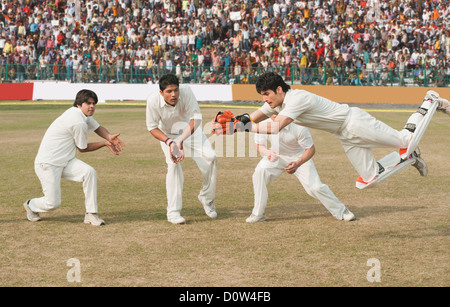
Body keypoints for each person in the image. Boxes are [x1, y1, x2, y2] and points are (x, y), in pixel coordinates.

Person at [216, 72, 450, 189]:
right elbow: (253, 116)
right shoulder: (277, 101)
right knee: (368, 179)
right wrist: (236, 122)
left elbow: (276, 126)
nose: (266, 100)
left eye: (267, 95)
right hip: (344, 135)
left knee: (405, 139)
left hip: (354, 122)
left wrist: (241, 126)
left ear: (278, 90)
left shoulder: (296, 99)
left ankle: (429, 101)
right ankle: (411, 158)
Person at [23, 89, 124, 226]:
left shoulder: (82, 115)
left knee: (89, 172)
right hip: (48, 164)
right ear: (79, 104)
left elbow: (97, 127)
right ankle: (30, 204)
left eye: (94, 103)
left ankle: (91, 213)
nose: (92, 106)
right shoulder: (78, 121)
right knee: (52, 203)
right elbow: (83, 149)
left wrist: (109, 136)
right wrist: (105, 143)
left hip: (65, 161)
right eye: (88, 103)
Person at [248, 115, 355, 223]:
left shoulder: (299, 126)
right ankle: (258, 214)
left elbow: (310, 149)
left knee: (315, 187)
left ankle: (342, 211)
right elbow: (258, 144)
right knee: (259, 174)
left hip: (299, 157)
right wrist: (268, 153)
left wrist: (298, 163)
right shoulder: (263, 125)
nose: (274, 115)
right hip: (275, 155)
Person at [146, 74, 217, 224]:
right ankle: (173, 213)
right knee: (173, 165)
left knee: (211, 157)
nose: (174, 94)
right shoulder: (153, 101)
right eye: (169, 91)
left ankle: (206, 198)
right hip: (168, 136)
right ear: (161, 92)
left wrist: (181, 140)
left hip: (189, 130)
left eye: (176, 90)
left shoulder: (186, 92)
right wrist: (171, 142)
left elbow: (196, 118)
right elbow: (152, 128)